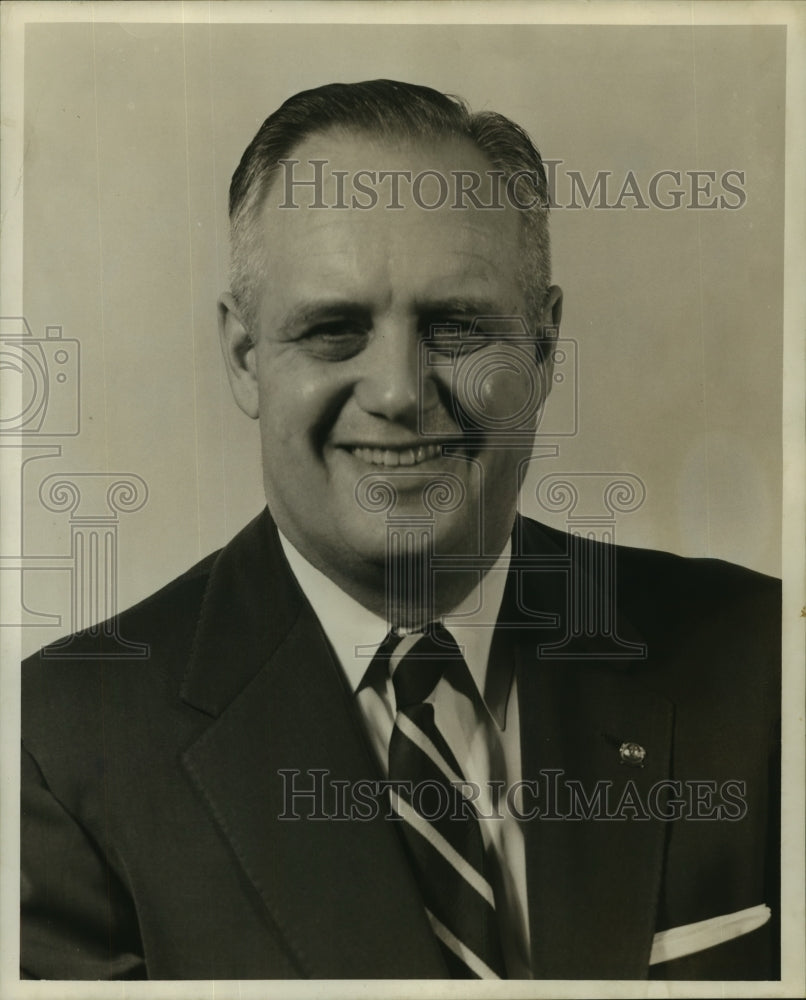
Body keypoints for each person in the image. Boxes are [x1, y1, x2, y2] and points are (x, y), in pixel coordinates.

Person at [20, 80, 780, 981]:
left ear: (543, 347)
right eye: (333, 330)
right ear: (244, 356)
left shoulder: (764, 659)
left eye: (456, 326)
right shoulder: (59, 746)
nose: (397, 391)